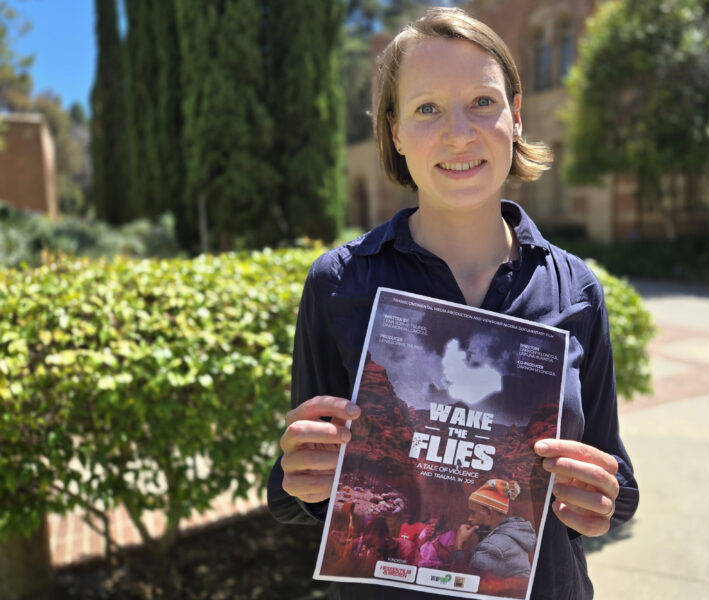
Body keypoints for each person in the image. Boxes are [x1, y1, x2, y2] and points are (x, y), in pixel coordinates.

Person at [267, 7, 639, 599]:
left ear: (515, 116)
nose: (458, 132)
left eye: (482, 103)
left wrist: (600, 500)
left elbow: (619, 484)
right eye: (427, 108)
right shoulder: (340, 283)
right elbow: (292, 496)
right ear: (393, 131)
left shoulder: (575, 290)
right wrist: (304, 480)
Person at [452, 479, 535, 579]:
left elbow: (465, 581)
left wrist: (458, 546)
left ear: (488, 511)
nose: (469, 519)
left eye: (473, 512)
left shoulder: (490, 547)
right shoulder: (513, 534)